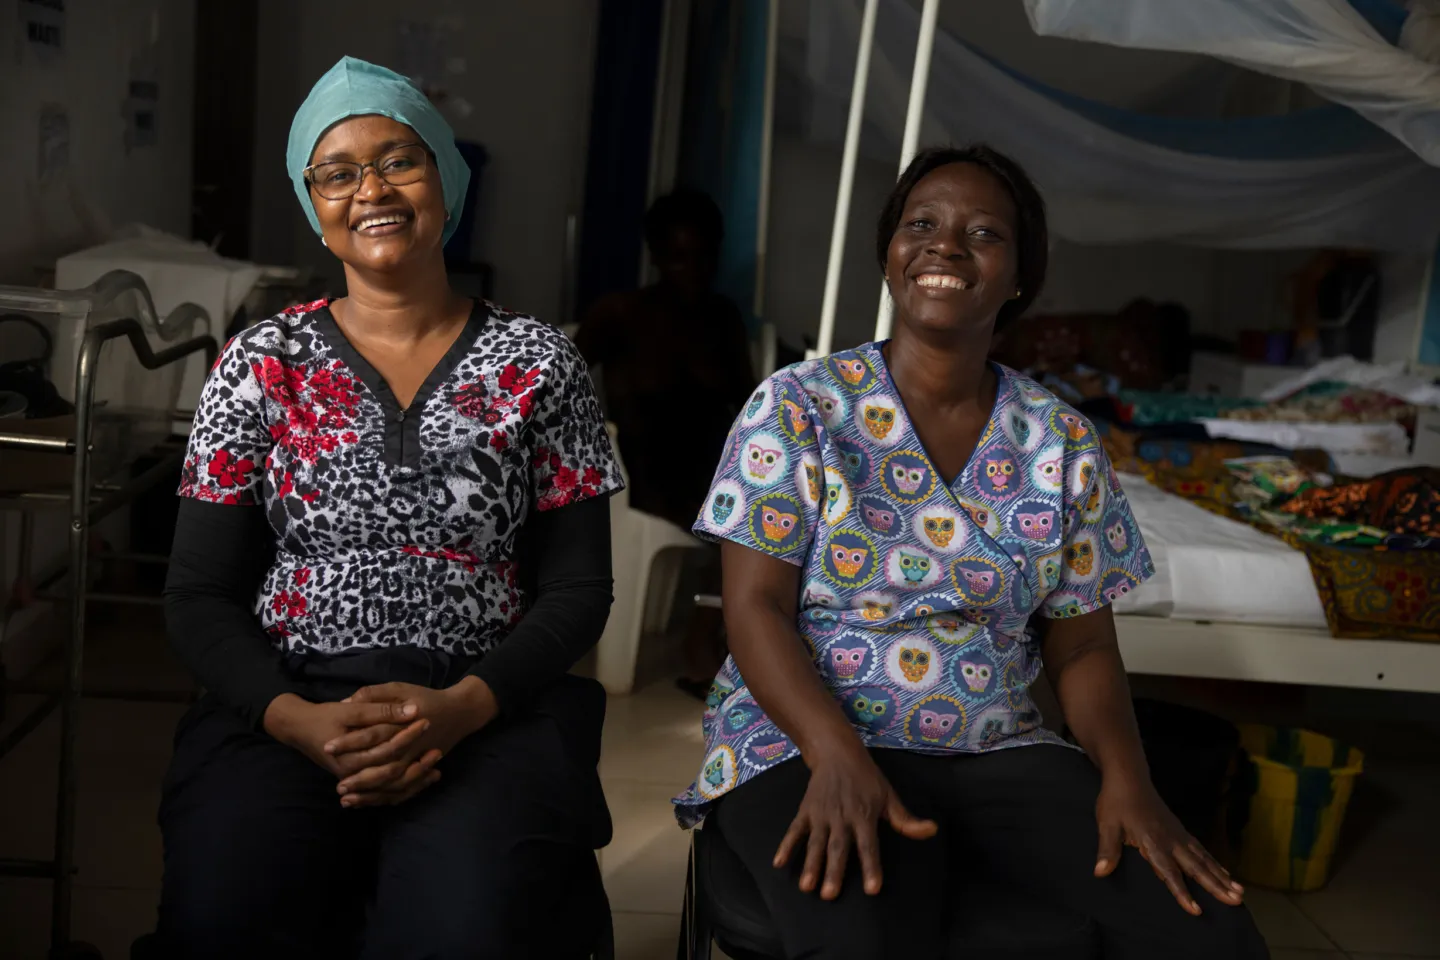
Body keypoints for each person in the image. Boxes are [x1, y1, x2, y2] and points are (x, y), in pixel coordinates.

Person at [673, 145, 1269, 959]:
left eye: (983, 233)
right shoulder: (800, 406)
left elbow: (1084, 643)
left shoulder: (1061, 440)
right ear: (889, 253)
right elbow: (754, 607)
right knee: (867, 930)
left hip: (996, 746)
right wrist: (836, 753)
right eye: (921, 224)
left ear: (1020, 276)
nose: (946, 246)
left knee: (1209, 931)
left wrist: (1130, 781)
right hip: (801, 735)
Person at [156, 57, 622, 960]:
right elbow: (197, 594)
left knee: (472, 927)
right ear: (313, 202)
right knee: (228, 911)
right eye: (337, 171)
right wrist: (298, 721)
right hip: (287, 702)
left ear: (445, 177)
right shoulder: (261, 361)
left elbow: (579, 587)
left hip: (485, 704)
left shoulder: (539, 362)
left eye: (398, 160)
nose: (371, 189)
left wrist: (463, 708)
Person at [575, 189, 755, 697]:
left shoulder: (722, 318)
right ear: (656, 256)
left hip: (709, 458)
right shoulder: (622, 312)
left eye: (703, 258)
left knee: (765, 506)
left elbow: (747, 402)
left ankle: (716, 635)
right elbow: (558, 381)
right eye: (679, 257)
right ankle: (705, 644)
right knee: (739, 518)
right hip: (645, 466)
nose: (691, 271)